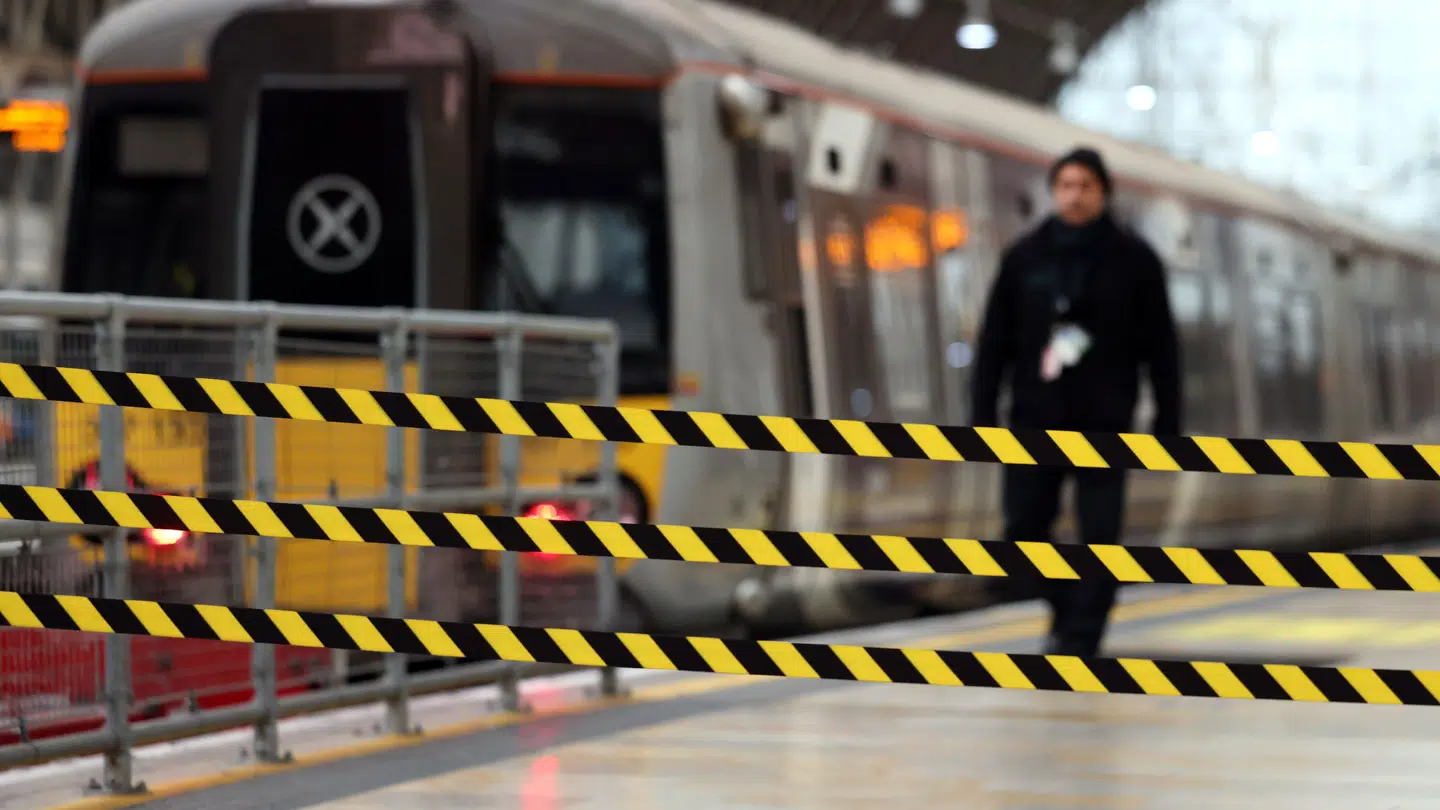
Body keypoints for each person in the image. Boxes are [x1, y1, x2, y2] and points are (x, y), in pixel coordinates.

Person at [970, 146, 1181, 658]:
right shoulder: (1024, 259)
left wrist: (1168, 420)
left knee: (1100, 536)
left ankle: (1083, 636)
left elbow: (1161, 347)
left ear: (1104, 192)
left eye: (1086, 185)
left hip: (1105, 420)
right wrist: (981, 414)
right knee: (1021, 531)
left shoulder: (1135, 262)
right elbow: (994, 343)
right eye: (1066, 185)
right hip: (1034, 418)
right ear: (1053, 191)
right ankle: (1065, 603)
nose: (1075, 195)